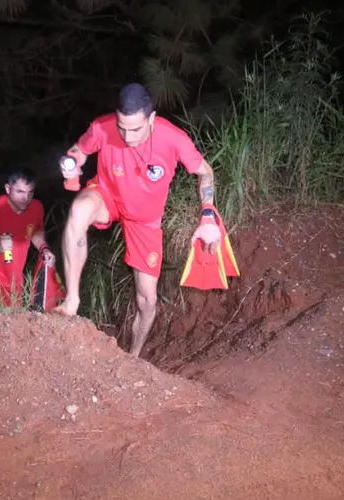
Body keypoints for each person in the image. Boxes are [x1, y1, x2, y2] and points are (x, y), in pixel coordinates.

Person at [55, 83, 221, 356]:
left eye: (135, 129)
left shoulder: (173, 138)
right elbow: (80, 150)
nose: (127, 136)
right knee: (79, 211)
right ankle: (72, 299)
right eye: (122, 128)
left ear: (152, 119)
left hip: (144, 221)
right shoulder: (102, 128)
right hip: (108, 196)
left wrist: (207, 216)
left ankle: (133, 357)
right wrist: (72, 160)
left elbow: (205, 173)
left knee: (147, 300)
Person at [0, 168, 56, 309]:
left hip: (14, 279)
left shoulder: (36, 208)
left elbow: (34, 231)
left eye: (30, 192)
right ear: (7, 189)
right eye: (20, 192)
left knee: (16, 319)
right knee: (0, 315)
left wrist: (44, 249)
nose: (26, 199)